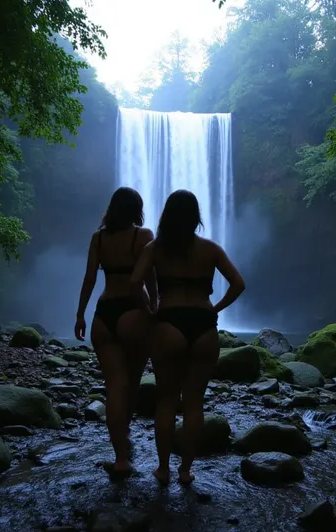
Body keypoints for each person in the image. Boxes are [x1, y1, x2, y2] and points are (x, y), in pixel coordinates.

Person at [130, 190, 245, 485]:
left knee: (167, 400)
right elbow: (238, 283)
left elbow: (134, 283)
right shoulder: (211, 249)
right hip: (204, 325)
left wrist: (151, 309)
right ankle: (185, 471)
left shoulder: (155, 249)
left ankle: (164, 469)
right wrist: (215, 308)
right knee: (195, 402)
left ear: (166, 216)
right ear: (196, 217)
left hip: (168, 322)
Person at [75, 186, 157, 477]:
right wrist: (155, 308)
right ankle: (125, 437)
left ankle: (121, 456)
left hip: (104, 314)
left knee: (114, 387)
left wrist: (80, 314)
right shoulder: (143, 236)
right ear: (137, 210)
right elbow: (149, 279)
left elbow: (89, 278)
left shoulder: (99, 238)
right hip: (134, 311)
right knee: (131, 383)